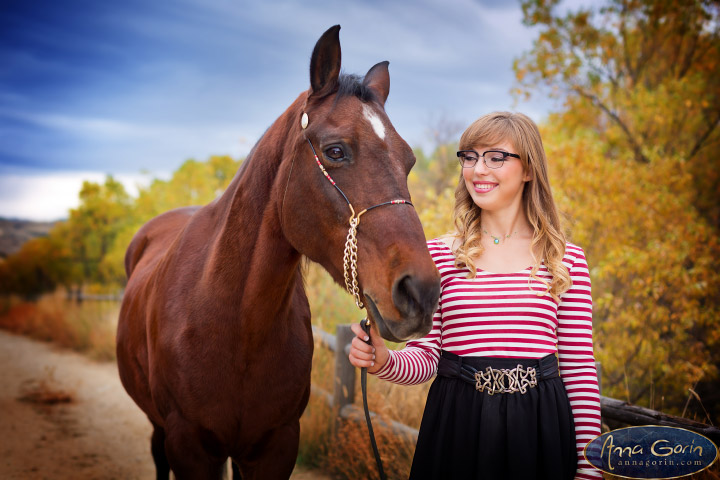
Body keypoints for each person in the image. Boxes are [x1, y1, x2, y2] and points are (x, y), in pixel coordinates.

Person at [348, 111, 602, 479]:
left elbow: (579, 370)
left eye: (496, 157)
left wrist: (589, 466)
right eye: (470, 157)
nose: (478, 169)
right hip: (457, 425)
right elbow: (429, 356)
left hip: (539, 429)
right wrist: (384, 360)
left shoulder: (564, 259)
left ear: (528, 169)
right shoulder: (439, 255)